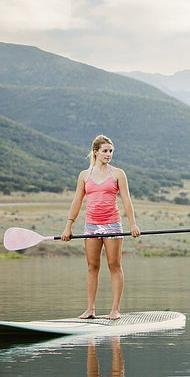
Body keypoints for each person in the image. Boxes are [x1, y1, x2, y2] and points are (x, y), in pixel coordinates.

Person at [61, 135, 140, 319]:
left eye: (111, 151)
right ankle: (90, 309)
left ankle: (115, 310)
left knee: (114, 265)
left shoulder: (118, 173)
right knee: (92, 266)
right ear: (95, 152)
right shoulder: (84, 175)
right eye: (105, 151)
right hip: (91, 227)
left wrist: (133, 224)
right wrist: (68, 226)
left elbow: (127, 201)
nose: (108, 154)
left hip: (112, 225)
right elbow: (77, 201)